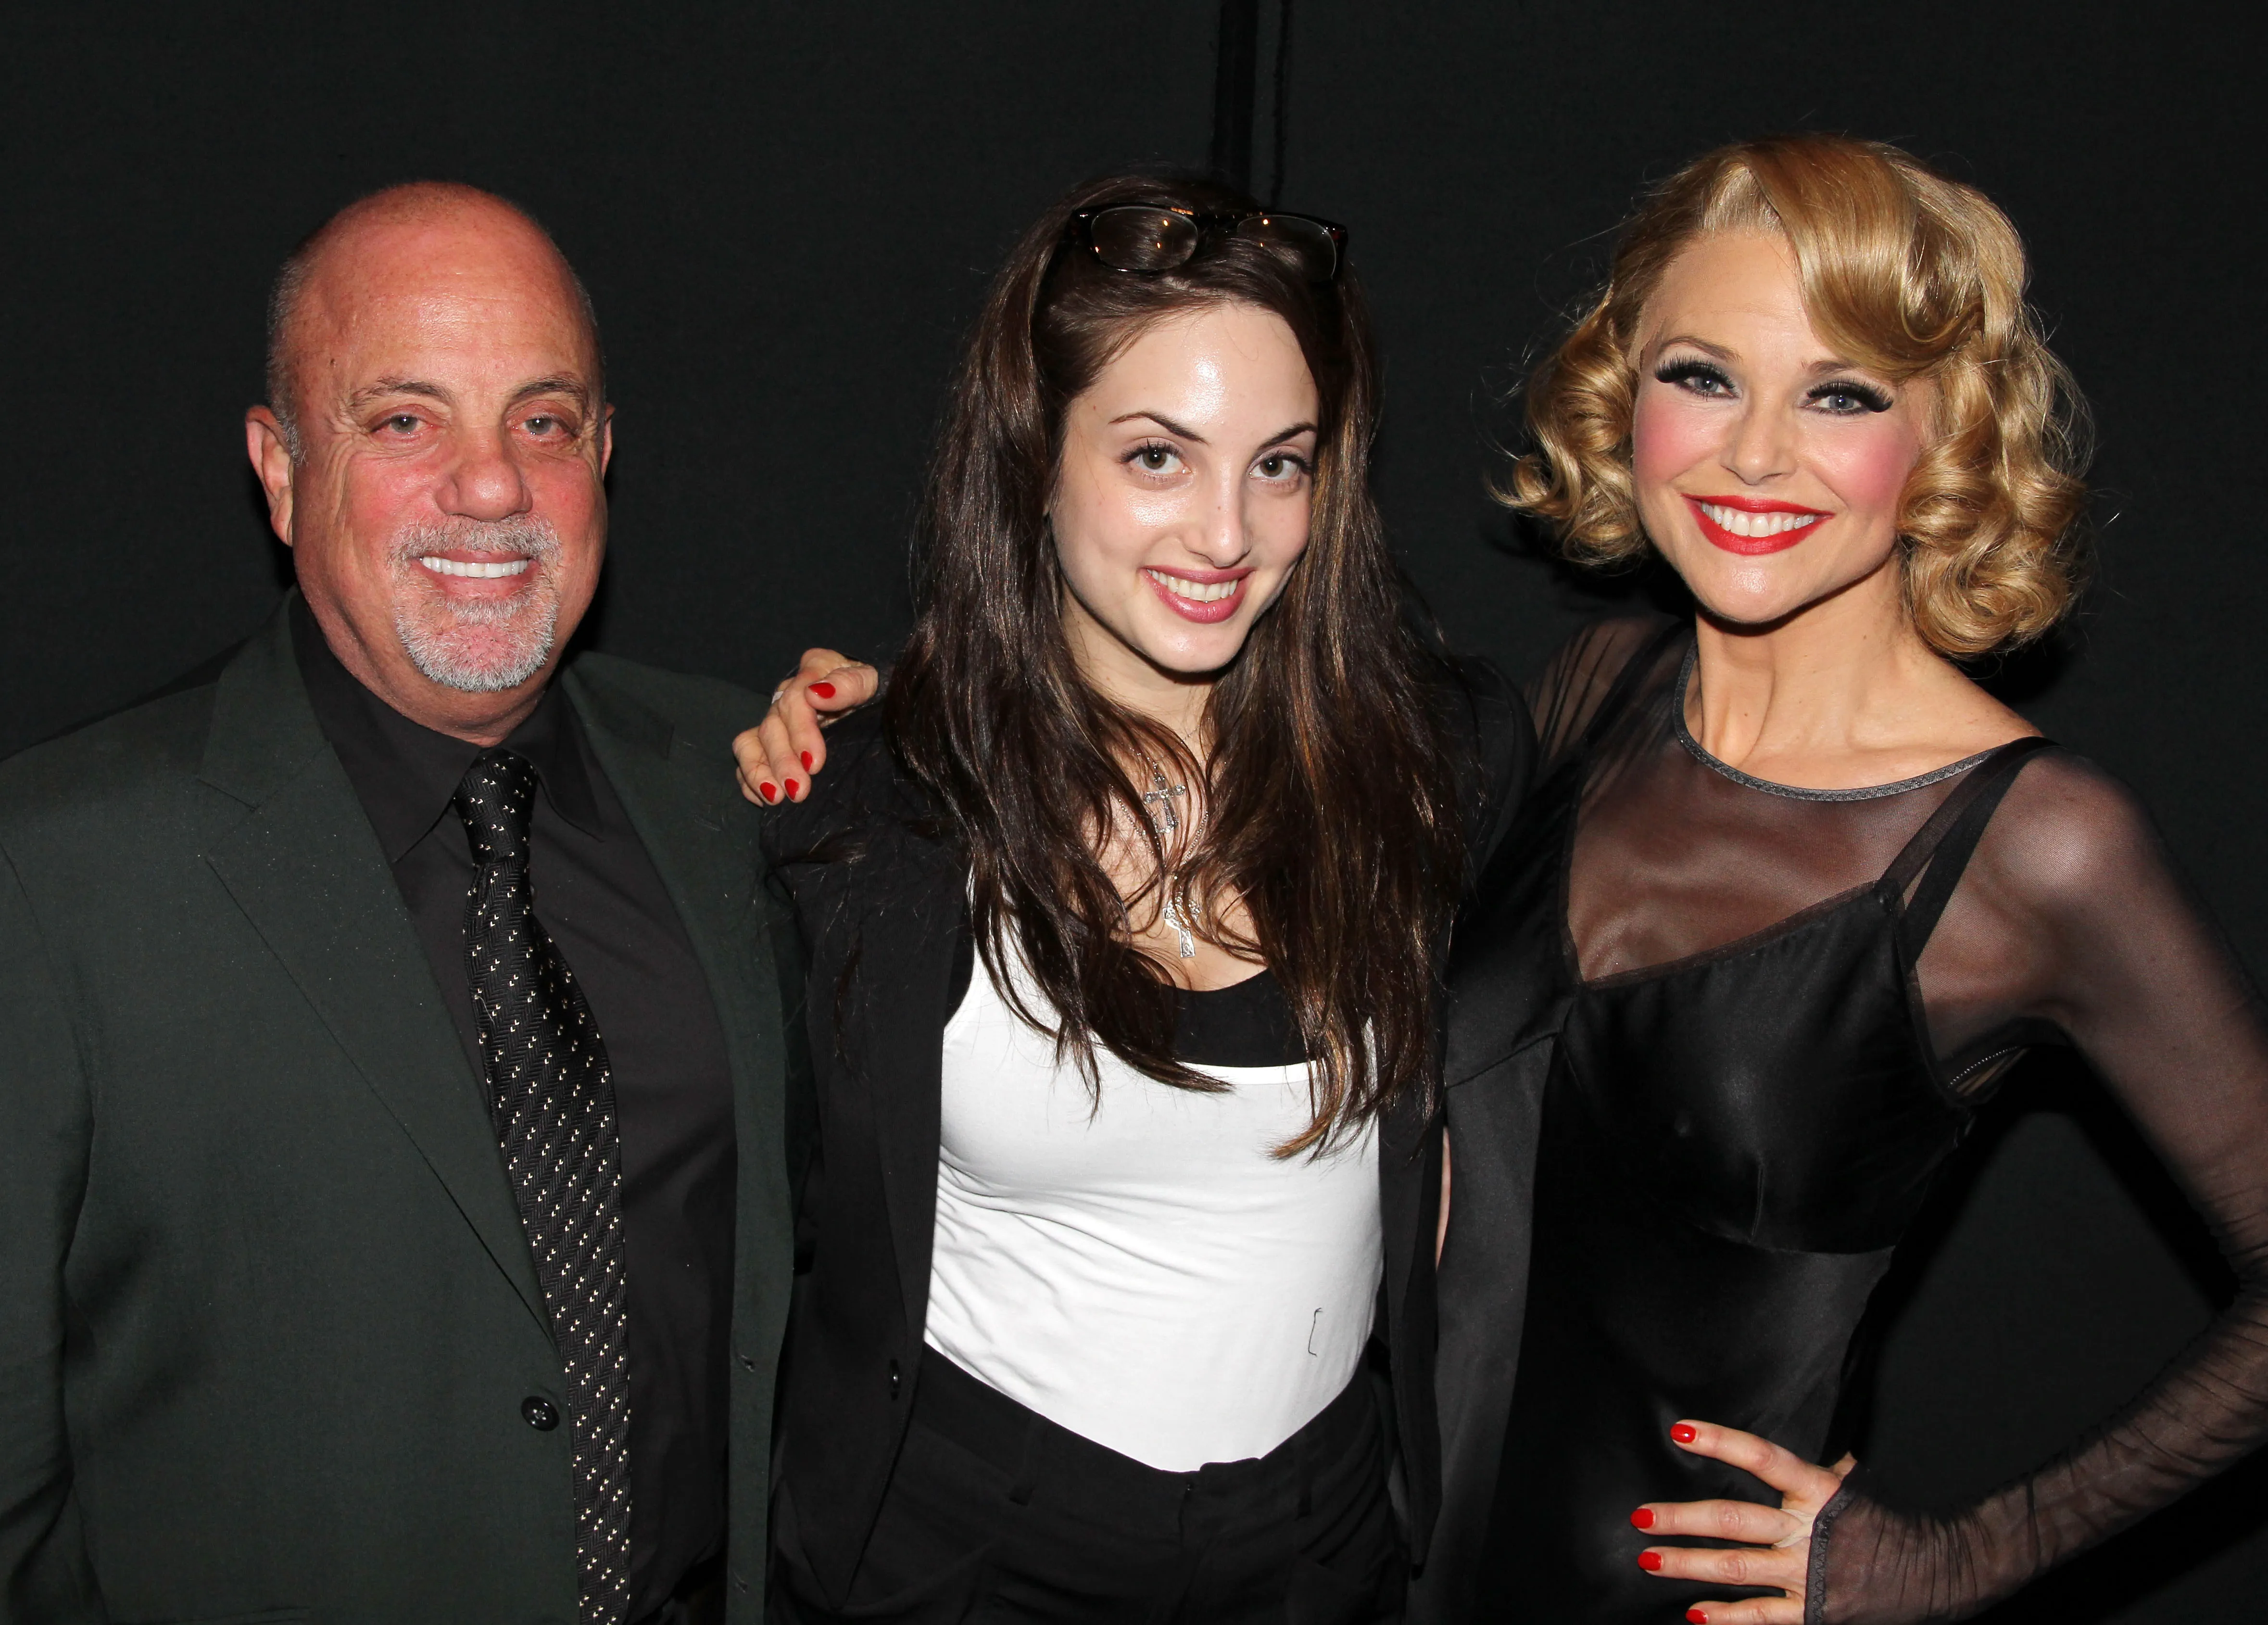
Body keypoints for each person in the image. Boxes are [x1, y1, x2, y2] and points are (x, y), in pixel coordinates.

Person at [1424, 134, 2268, 1625]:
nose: (1756, 454)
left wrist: (1968, 1556)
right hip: (1361, 1564)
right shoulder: (1595, 688)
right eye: (1702, 376)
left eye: (1840, 394)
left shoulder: (2031, 846)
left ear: (1943, 438)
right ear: (1624, 403)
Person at [0, 183, 795, 1625]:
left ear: (604, 454)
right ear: (282, 466)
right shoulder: (49, 878)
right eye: (404, 421)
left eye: (543, 422)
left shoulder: (744, 790)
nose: (492, 487)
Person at [752, 171, 1527, 1624]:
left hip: (1323, 1546)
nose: (1226, 535)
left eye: (1279, 464)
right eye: (1159, 458)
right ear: (1033, 455)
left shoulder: (1442, 764)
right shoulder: (870, 806)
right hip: (963, 1551)